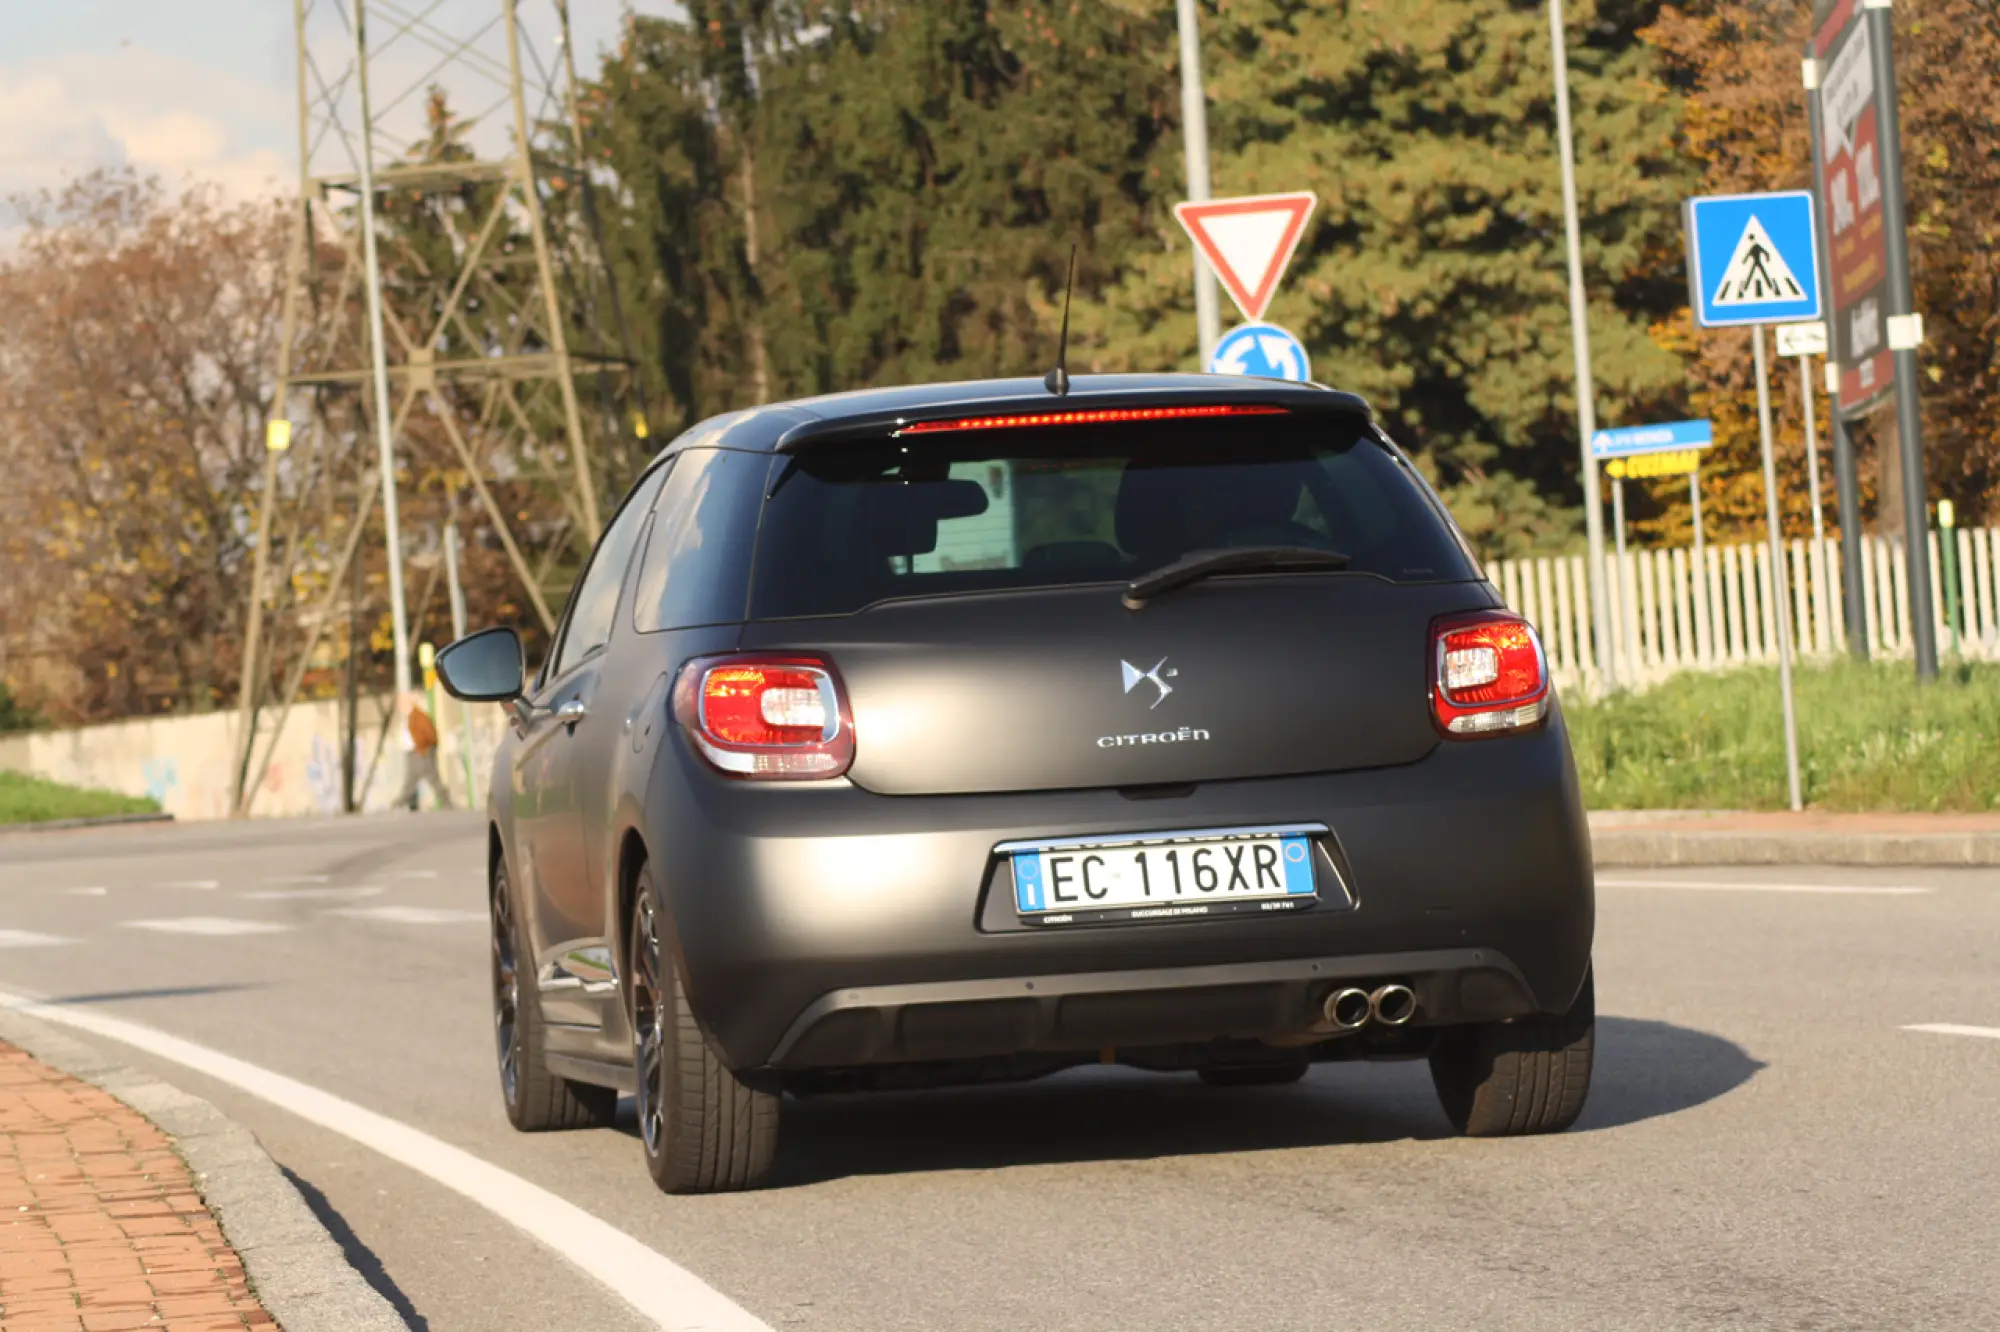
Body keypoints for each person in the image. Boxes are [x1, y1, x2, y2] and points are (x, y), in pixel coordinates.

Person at [396, 695, 452, 810]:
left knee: (431, 779)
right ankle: (399, 804)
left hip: (422, 753)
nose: (399, 707)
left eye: (401, 704)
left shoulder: (418, 716)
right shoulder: (411, 716)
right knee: (412, 781)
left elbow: (429, 735)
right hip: (416, 752)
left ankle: (447, 802)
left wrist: (423, 747)